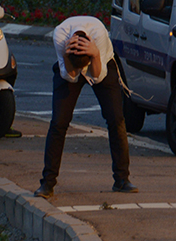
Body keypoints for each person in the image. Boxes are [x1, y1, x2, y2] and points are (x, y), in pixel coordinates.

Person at [35, 16, 136, 198]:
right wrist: (67, 55)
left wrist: (95, 54)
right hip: (70, 61)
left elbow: (98, 77)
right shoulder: (60, 36)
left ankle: (122, 179)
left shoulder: (99, 35)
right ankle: (47, 183)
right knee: (59, 122)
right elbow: (70, 76)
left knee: (116, 119)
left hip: (101, 61)